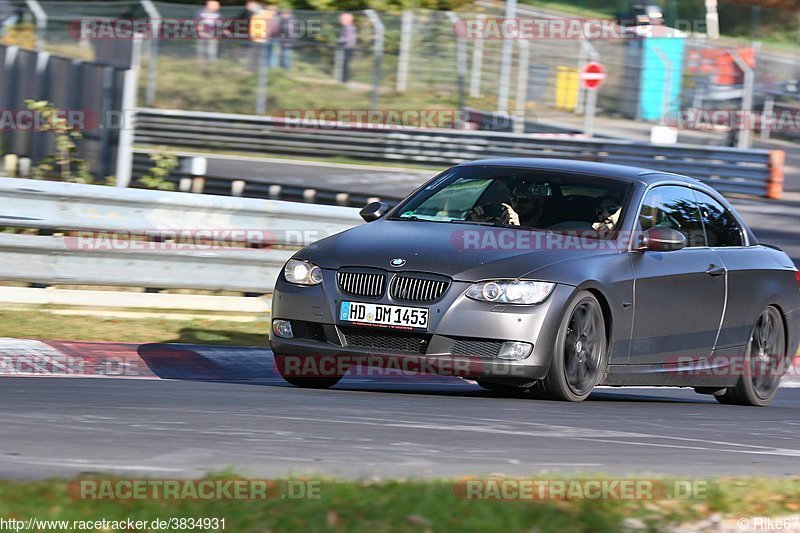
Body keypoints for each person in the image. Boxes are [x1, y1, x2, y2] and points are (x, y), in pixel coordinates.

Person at [469, 181, 549, 228]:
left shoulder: (551, 231)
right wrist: (479, 224)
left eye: (525, 200)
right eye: (513, 200)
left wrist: (516, 228)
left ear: (539, 202)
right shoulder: (501, 223)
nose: (517, 204)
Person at [337, 13, 357, 83]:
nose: (340, 20)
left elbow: (347, 38)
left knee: (345, 65)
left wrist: (339, 41)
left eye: (342, 19)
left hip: (347, 48)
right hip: (347, 47)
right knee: (344, 65)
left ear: (347, 20)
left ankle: (344, 81)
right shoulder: (349, 27)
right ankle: (343, 80)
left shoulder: (347, 27)